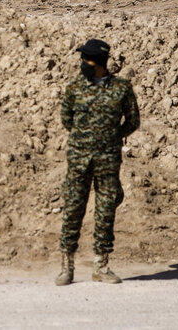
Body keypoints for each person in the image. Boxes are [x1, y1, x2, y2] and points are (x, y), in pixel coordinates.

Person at [55, 39, 140, 286]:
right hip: (79, 160)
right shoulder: (74, 88)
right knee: (73, 209)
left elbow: (133, 121)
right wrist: (86, 139)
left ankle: (101, 266)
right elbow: (66, 119)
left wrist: (112, 136)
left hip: (108, 161)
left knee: (105, 212)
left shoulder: (121, 88)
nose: (84, 64)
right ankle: (66, 267)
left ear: (100, 63)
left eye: (87, 60)